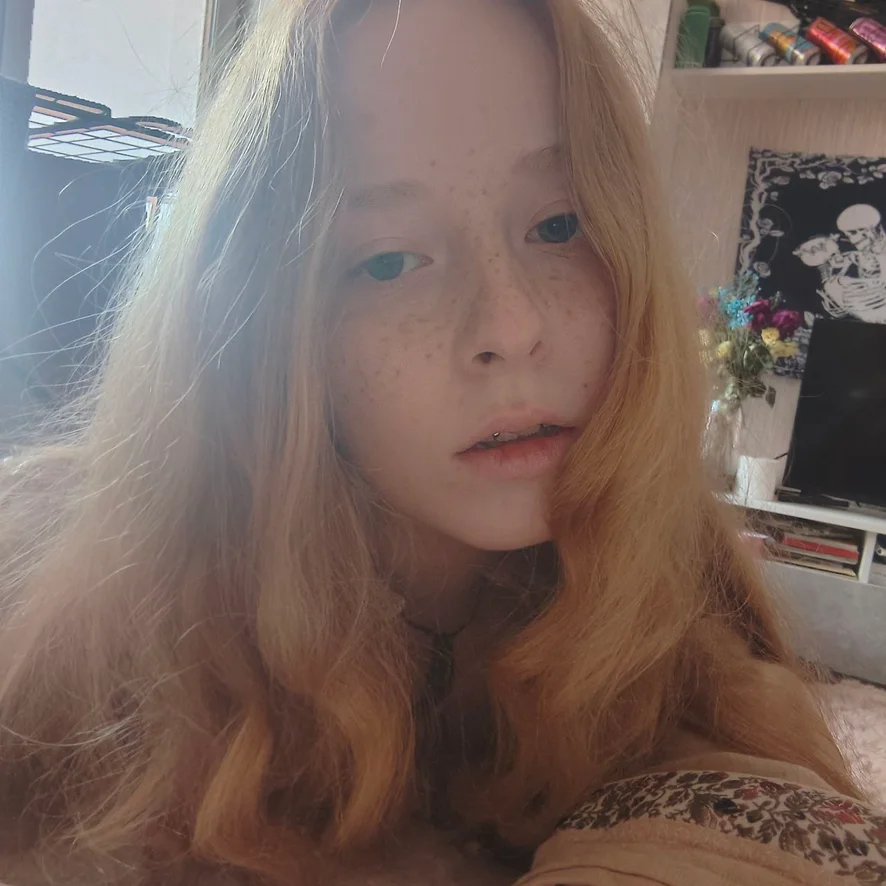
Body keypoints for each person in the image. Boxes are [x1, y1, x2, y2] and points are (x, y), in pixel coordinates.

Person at [0, 1, 882, 884]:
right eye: (387, 261)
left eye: (559, 225)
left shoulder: (685, 601)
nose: (511, 326)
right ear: (259, 327)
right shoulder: (85, 605)